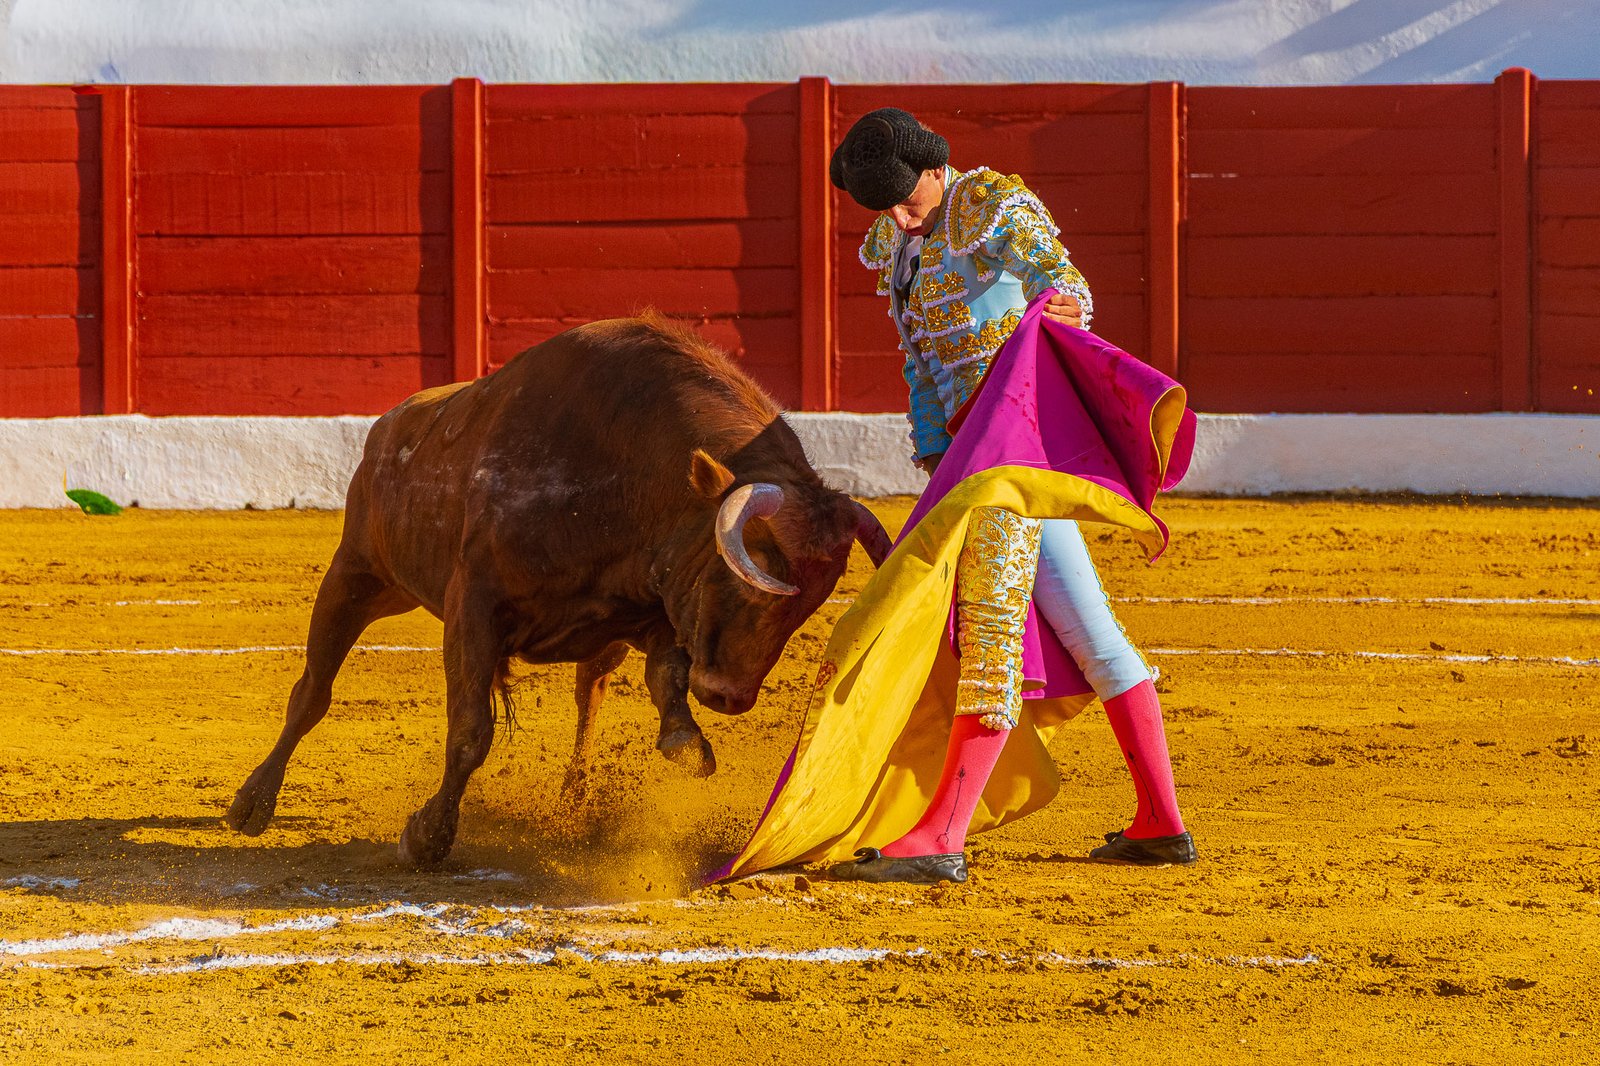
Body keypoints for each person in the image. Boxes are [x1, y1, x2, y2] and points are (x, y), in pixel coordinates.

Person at [825, 107, 1197, 883]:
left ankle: (942, 836)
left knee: (990, 629)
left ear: (936, 167)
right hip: (972, 462)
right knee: (1092, 635)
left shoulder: (992, 205)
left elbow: (1060, 278)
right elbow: (922, 364)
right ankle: (1161, 821)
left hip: (1015, 447)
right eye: (883, 206)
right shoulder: (900, 247)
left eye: (906, 196)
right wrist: (936, 458)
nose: (898, 215)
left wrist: (1066, 304)